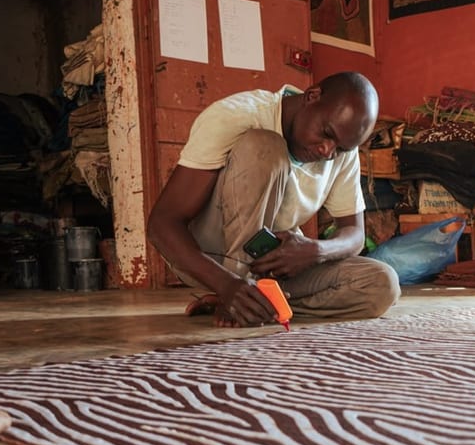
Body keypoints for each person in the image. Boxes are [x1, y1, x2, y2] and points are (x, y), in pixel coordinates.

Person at [147, 72, 400, 327]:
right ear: (312, 96)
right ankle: (235, 290)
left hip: (270, 265)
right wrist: (226, 283)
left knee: (381, 285)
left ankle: (255, 301)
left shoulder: (342, 151)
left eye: (340, 148)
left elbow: (354, 233)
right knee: (265, 147)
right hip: (211, 255)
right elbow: (163, 223)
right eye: (326, 133)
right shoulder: (237, 116)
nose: (327, 150)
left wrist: (315, 251)